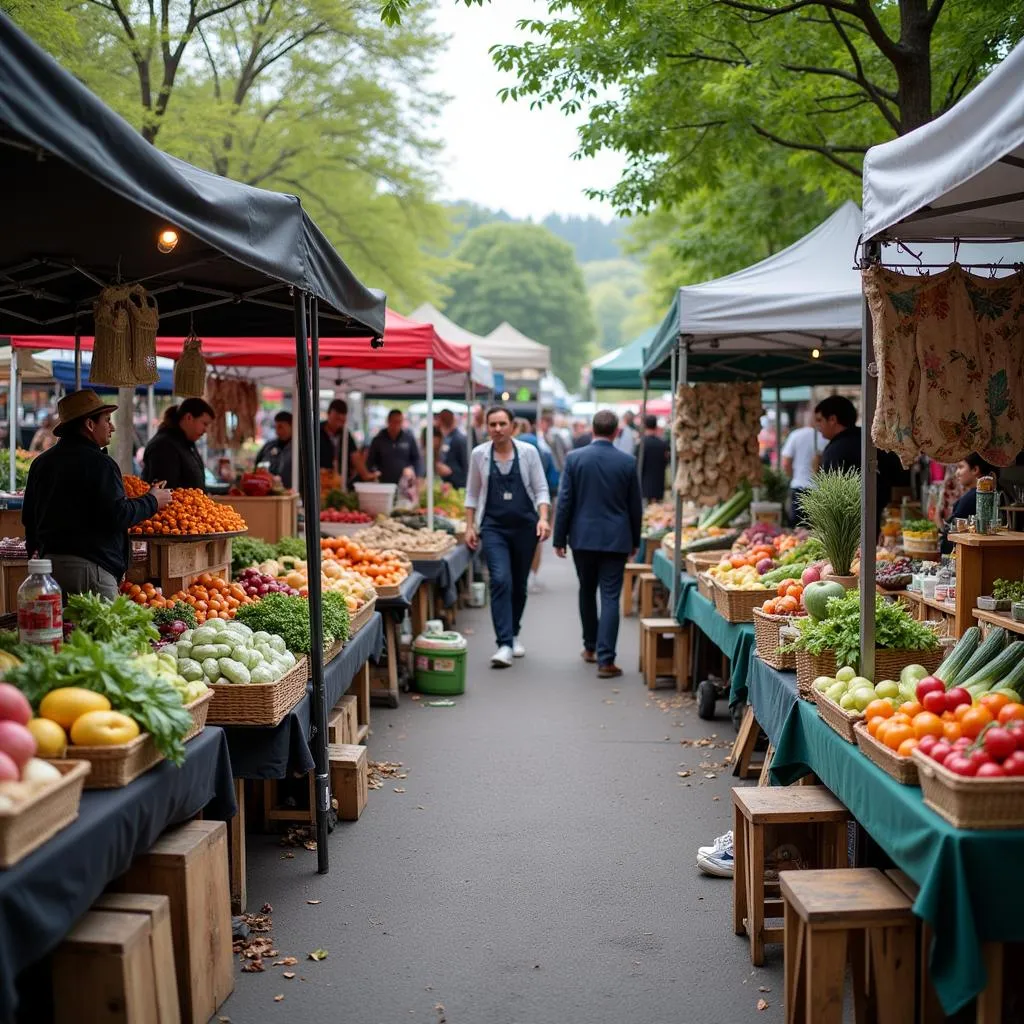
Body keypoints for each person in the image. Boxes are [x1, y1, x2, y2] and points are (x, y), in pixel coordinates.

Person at [22, 390, 171, 600]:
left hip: (50, 570)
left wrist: (38, 562)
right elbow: (118, 515)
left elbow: (30, 519)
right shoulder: (101, 464)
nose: (112, 427)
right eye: (107, 420)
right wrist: (153, 500)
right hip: (90, 570)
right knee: (101, 631)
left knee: (62, 631)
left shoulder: (41, 463)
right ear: (89, 425)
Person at [554, 409, 642, 678]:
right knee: (611, 596)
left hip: (582, 537)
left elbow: (565, 501)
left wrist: (560, 538)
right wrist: (635, 540)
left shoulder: (575, 459)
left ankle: (590, 647)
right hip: (616, 539)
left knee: (586, 590)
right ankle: (606, 660)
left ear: (592, 430)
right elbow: (635, 507)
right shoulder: (627, 462)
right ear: (617, 432)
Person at [465, 406, 551, 668]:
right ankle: (503, 643)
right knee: (500, 579)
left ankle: (513, 633)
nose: (498, 429)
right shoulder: (479, 455)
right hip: (493, 527)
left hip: (525, 527)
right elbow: (472, 493)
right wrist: (469, 526)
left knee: (519, 584)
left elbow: (540, 489)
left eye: (502, 424)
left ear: (513, 427)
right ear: (486, 427)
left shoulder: (528, 453)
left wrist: (544, 518)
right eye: (493, 424)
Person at [813, 394, 898, 521]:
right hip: (883, 515)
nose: (817, 426)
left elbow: (831, 497)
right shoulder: (871, 439)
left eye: (820, 420)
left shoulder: (835, 450)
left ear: (832, 419)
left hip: (852, 522)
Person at [142, 397, 214, 490]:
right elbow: (164, 489)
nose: (206, 430)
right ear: (189, 417)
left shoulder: (187, 443)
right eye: (204, 423)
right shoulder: (163, 446)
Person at [940, 454, 1000, 553]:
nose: (957, 473)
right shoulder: (994, 492)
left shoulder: (974, 497)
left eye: (960, 467)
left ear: (975, 469)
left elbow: (954, 530)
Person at [781, 414, 827, 526]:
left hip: (799, 487)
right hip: (820, 490)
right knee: (817, 530)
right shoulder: (826, 437)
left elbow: (786, 463)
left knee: (797, 529)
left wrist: (793, 476)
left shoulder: (796, 435)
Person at [320, 398, 373, 485]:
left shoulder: (346, 434)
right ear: (328, 414)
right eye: (336, 419)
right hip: (320, 480)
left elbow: (355, 456)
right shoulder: (316, 432)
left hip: (341, 480)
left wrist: (366, 475)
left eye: (342, 421)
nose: (339, 424)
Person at [367, 409, 424, 488]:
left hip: (405, 483)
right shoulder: (378, 440)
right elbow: (370, 461)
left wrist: (417, 474)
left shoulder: (409, 438)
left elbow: (417, 459)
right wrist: (375, 472)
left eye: (399, 422)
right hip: (384, 482)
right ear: (388, 421)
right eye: (394, 421)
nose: (397, 425)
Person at [255, 411, 293, 489]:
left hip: (292, 495)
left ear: (292, 426)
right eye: (276, 427)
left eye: (281, 427)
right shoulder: (268, 447)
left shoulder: (299, 449)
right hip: (269, 494)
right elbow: (257, 466)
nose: (277, 431)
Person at [640, 415, 669, 502]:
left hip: (643, 487)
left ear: (644, 426)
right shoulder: (663, 444)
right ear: (656, 426)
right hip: (659, 486)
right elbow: (666, 462)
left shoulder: (641, 444)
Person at [436, 409, 468, 489]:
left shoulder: (459, 439)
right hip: (449, 484)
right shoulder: (447, 437)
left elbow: (466, 465)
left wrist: (450, 472)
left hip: (458, 485)